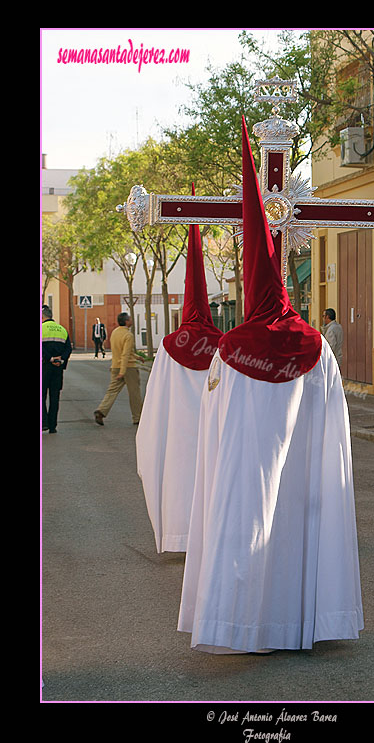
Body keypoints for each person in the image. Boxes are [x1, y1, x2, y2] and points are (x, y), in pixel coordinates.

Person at [177, 118, 363, 654]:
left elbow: (215, 426)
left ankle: (243, 622)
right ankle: (307, 618)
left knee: (248, 515)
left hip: (244, 468)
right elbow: (335, 436)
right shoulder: (318, 346)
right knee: (300, 519)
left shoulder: (230, 351)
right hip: (306, 481)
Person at [136, 190, 222, 553]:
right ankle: (216, 537)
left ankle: (180, 535)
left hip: (179, 433)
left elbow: (155, 406)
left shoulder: (171, 347)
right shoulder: (226, 344)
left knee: (181, 475)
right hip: (216, 431)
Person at [94, 312, 143, 426]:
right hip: (128, 368)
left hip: (115, 365)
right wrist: (123, 371)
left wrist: (137, 357)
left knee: (112, 391)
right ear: (126, 321)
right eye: (130, 319)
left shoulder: (115, 332)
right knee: (134, 393)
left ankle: (101, 411)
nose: (131, 320)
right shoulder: (128, 335)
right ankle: (137, 417)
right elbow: (125, 354)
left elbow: (122, 351)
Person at [42, 305, 72, 434]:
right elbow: (68, 348)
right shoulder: (62, 330)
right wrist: (61, 359)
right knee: (55, 396)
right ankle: (53, 426)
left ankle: (44, 422)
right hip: (58, 368)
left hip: (44, 366)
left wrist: (50, 359)